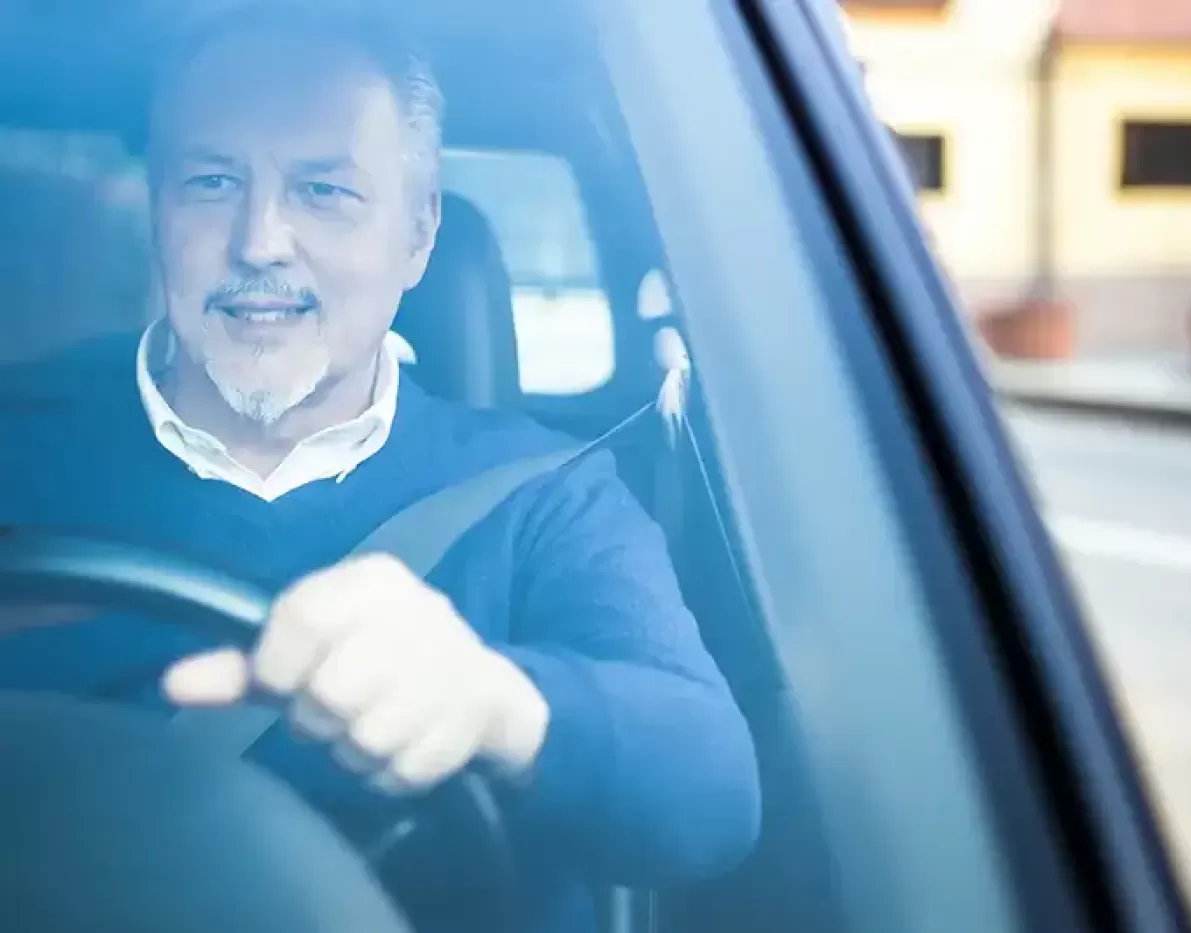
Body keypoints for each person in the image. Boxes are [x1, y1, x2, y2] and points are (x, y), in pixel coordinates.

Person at [0, 8, 760, 932]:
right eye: (210, 181)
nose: (260, 242)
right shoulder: (15, 444)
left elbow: (712, 793)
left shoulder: (542, 493)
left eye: (324, 190)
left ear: (418, 235)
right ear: (159, 212)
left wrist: (492, 703)